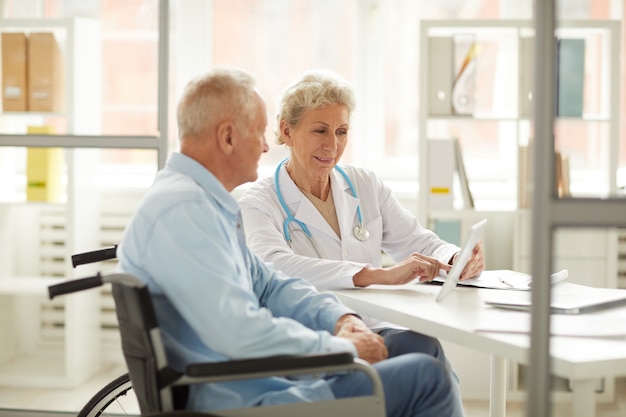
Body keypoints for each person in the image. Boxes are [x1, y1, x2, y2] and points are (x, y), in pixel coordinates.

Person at [116, 66, 465, 417]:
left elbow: (269, 285)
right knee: (426, 378)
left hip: (267, 383)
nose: (267, 145)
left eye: (341, 131)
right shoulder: (184, 210)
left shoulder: (202, 202)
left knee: (422, 349)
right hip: (250, 397)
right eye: (258, 133)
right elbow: (238, 331)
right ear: (227, 137)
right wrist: (337, 346)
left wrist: (338, 318)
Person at [239, 69, 484, 372]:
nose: (332, 145)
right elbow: (275, 266)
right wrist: (375, 274)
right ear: (286, 131)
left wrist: (455, 258)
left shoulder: (363, 183)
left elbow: (417, 240)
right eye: (320, 131)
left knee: (427, 349)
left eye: (341, 132)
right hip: (319, 335)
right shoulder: (258, 201)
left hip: (375, 326)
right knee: (426, 364)